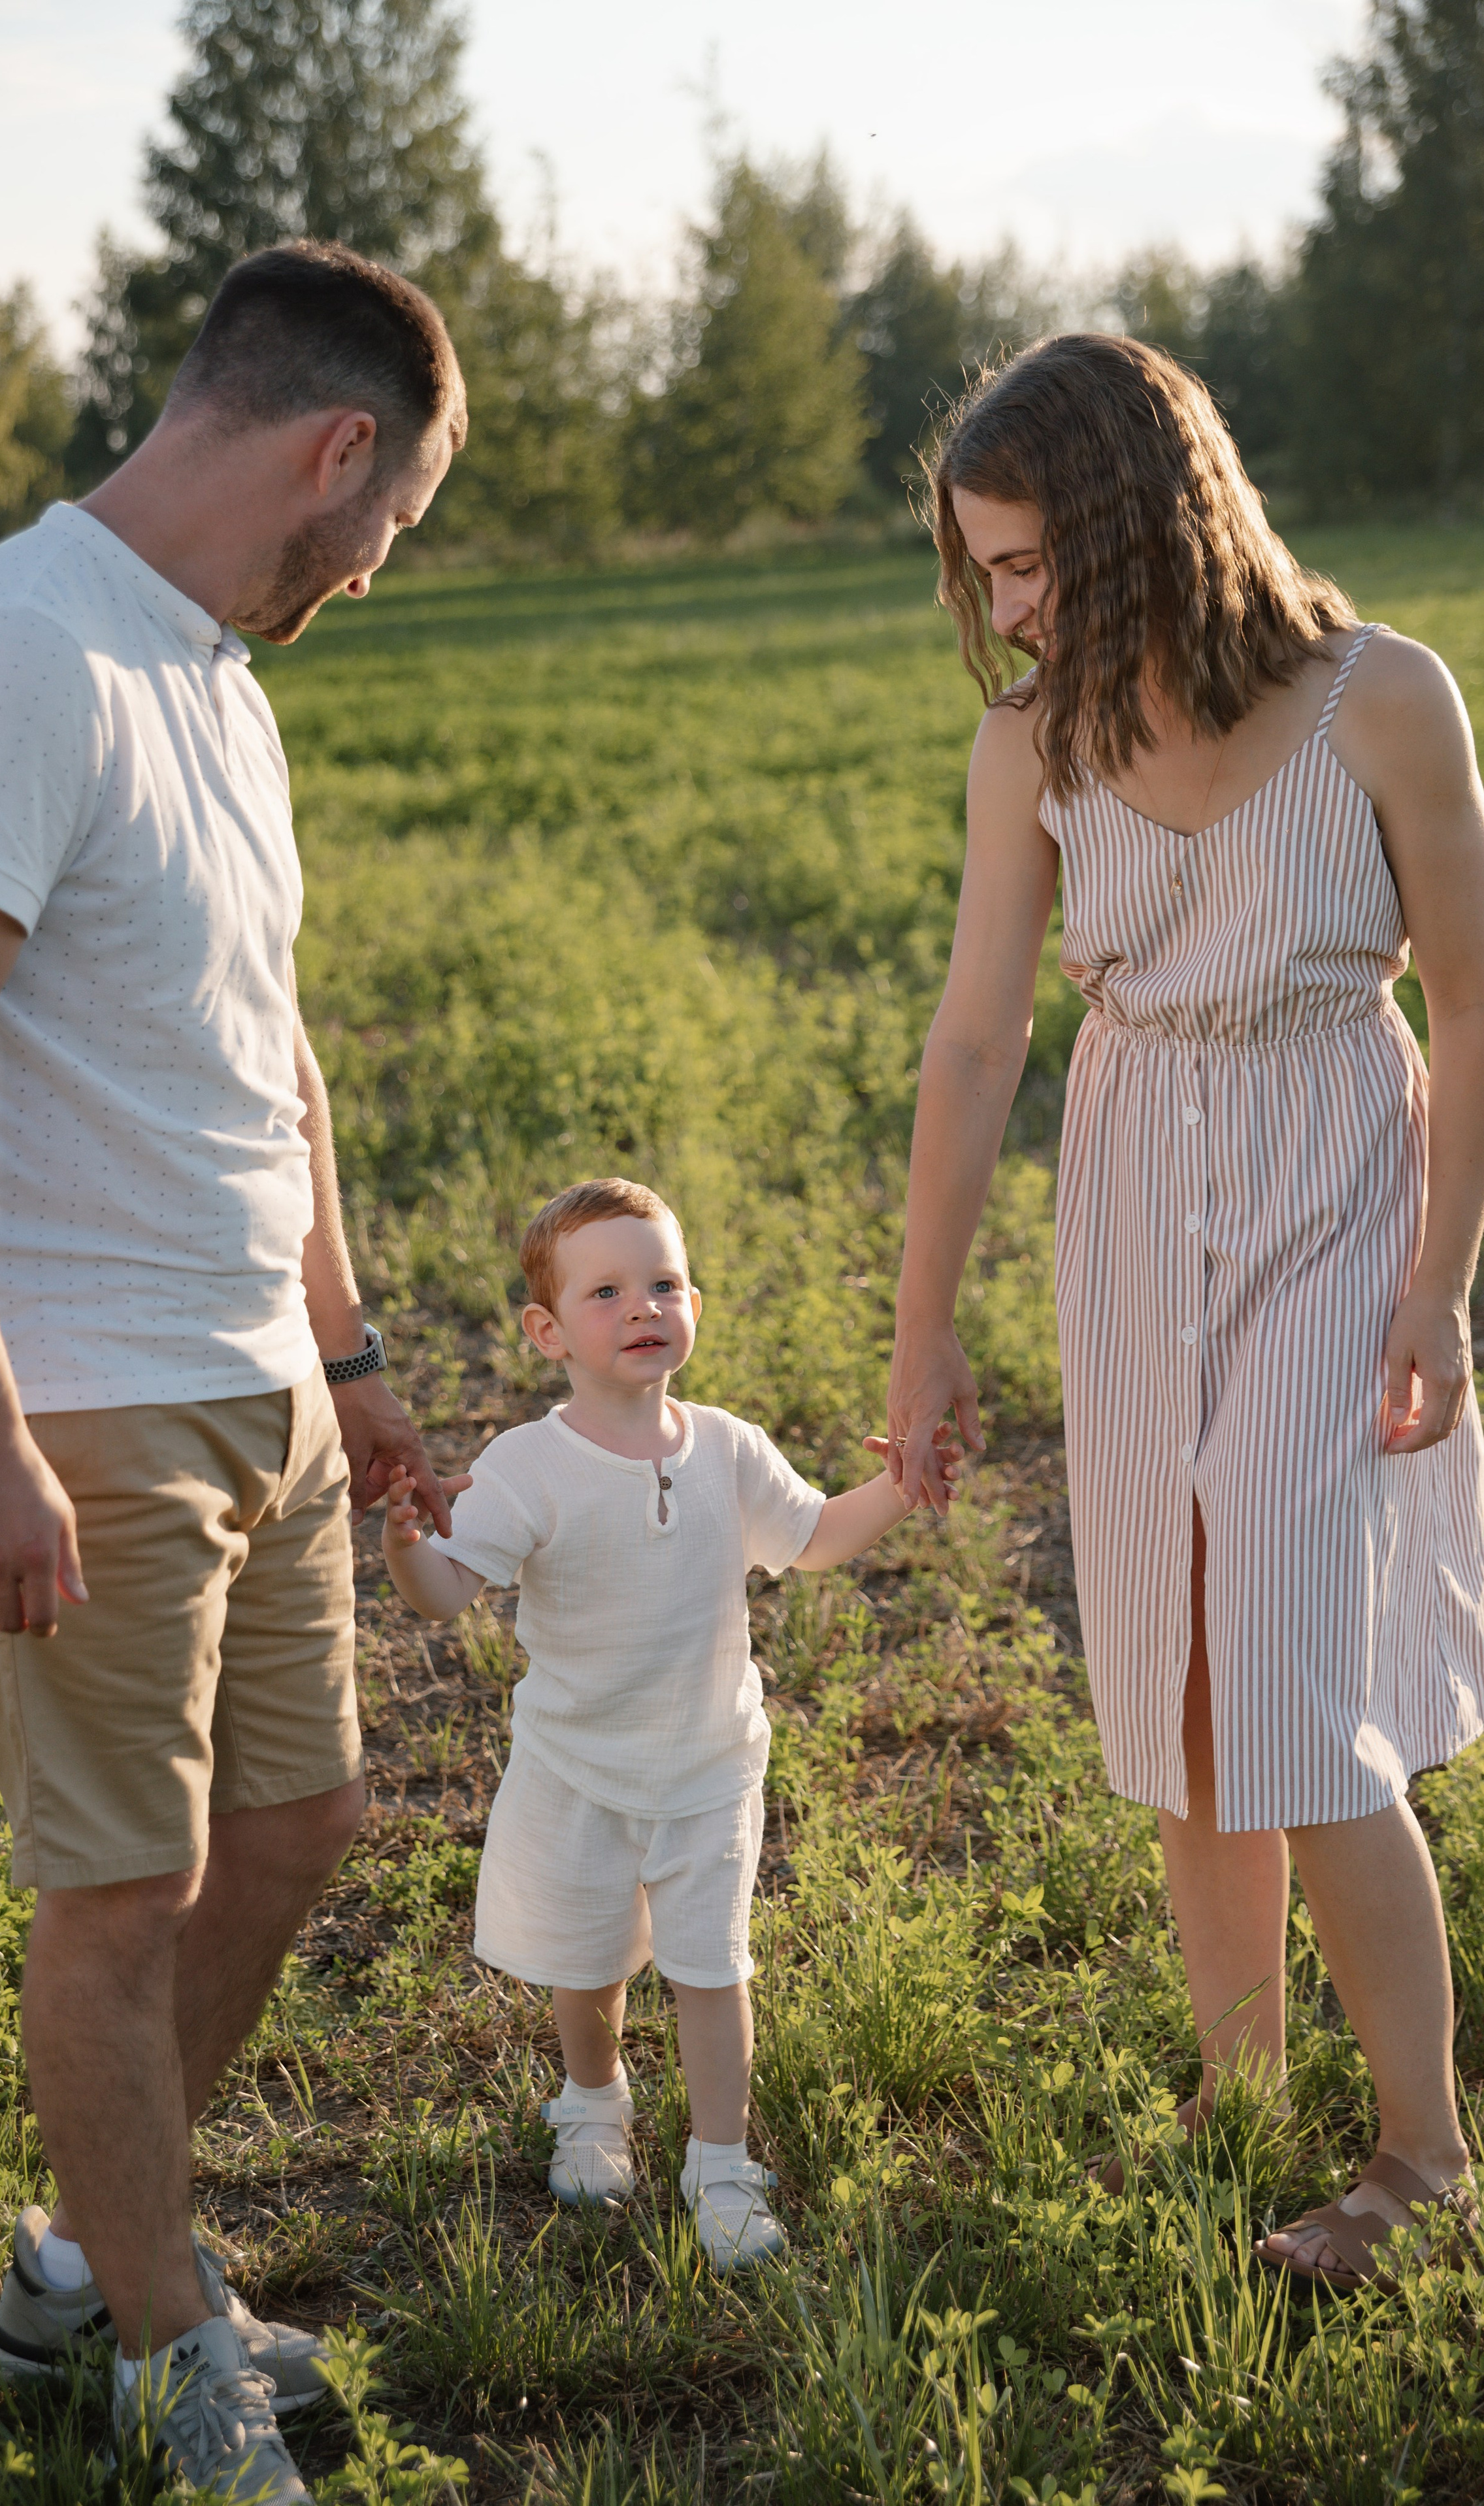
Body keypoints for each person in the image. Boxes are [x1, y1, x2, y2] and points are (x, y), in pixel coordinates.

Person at [0, 241, 465, 2503]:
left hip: (252, 1375)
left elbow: (266, 1043)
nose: (369, 574)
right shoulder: (21, 650)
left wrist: (350, 1336)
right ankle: (168, 2339)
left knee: (289, 1828)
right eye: (382, 532)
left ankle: (91, 2267)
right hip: (73, 1390)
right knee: (116, 1890)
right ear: (335, 449)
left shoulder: (209, 675)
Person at [886, 332, 1484, 2296]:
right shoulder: (1029, 744)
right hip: (1137, 1205)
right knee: (1184, 1682)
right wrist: (925, 1328)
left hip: (1339, 1180)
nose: (1010, 607)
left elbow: (1471, 1005)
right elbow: (977, 1044)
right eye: (984, 571)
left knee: (1307, 1688)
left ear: (1151, 520)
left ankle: (1426, 2155)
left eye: (1037, 562)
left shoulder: (1383, 700)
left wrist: (1441, 1284)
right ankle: (1242, 2106)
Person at [380, 1176, 938, 2269]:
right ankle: (594, 2102)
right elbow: (446, 1593)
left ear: (694, 1304)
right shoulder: (529, 1467)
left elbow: (816, 1536)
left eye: (665, 1283)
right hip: (579, 1765)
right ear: (548, 1332)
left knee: (710, 1966)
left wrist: (904, 1488)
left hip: (709, 1765)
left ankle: (721, 2164)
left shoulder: (726, 1447)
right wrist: (408, 1544)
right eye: (607, 1292)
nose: (643, 1307)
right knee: (589, 1963)